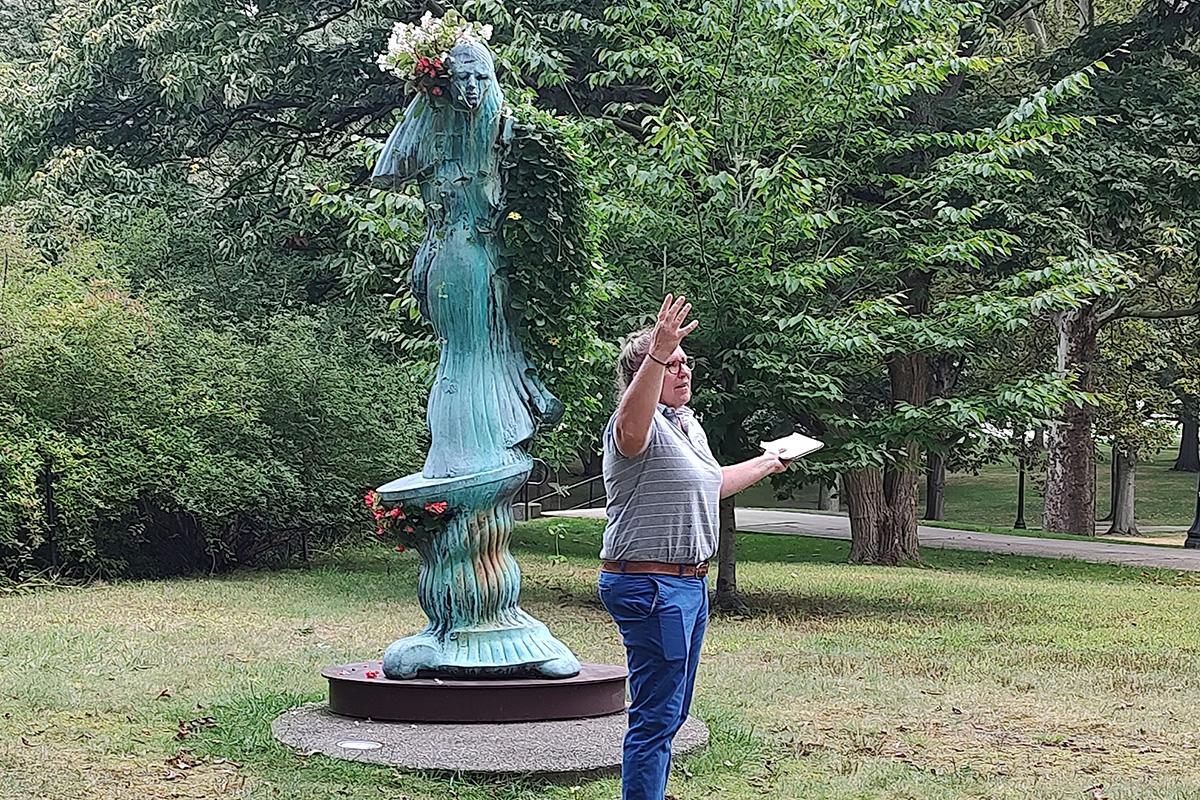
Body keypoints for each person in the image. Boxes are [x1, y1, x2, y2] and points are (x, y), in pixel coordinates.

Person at [598, 294, 788, 800]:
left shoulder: (687, 426)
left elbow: (712, 483)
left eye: (686, 362)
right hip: (650, 583)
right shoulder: (636, 428)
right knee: (656, 717)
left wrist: (770, 462)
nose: (682, 370)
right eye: (670, 362)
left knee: (671, 711)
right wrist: (657, 349)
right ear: (645, 373)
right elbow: (630, 426)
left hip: (687, 585)